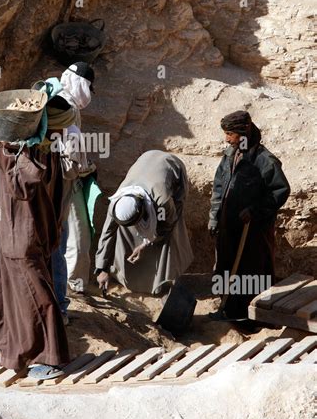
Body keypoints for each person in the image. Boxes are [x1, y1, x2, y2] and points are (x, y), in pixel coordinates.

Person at [0, 86, 71, 380]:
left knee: (10, 293)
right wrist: (19, 152)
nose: (63, 136)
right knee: (41, 299)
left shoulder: (45, 151)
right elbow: (22, 188)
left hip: (28, 237)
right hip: (21, 241)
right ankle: (47, 358)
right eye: (60, 130)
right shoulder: (18, 154)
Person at [208, 110, 290, 320]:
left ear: (243, 132)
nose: (226, 138)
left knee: (250, 272)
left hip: (253, 231)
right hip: (229, 226)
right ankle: (227, 309)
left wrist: (255, 210)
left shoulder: (265, 160)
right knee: (227, 266)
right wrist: (214, 217)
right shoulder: (229, 155)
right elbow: (219, 188)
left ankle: (250, 317)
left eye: (230, 134)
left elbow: (279, 191)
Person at [95, 150, 193, 295]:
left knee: (169, 232)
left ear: (142, 210)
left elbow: (167, 225)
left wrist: (146, 243)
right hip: (146, 159)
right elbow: (107, 233)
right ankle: (123, 274)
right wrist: (101, 269)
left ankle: (166, 280)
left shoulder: (163, 200)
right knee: (123, 230)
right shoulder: (116, 204)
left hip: (173, 168)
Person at [50, 62, 97, 322]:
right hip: (62, 184)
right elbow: (68, 153)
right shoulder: (64, 106)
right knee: (72, 237)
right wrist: (81, 168)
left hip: (58, 181)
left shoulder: (61, 100)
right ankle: (65, 295)